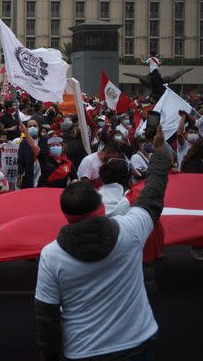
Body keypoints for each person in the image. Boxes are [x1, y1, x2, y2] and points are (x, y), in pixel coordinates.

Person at [34, 128, 172, 360]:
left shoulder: (50, 255)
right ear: (100, 207)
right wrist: (159, 152)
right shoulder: (131, 231)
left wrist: (51, 356)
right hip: (136, 343)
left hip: (82, 350)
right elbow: (154, 193)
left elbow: (46, 317)